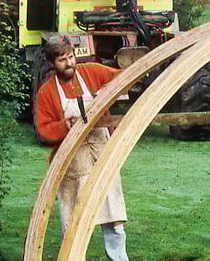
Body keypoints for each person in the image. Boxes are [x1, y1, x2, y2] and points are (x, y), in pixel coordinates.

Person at [36, 37, 129, 261]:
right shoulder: (46, 93)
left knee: (113, 220)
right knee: (74, 224)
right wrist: (63, 126)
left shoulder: (91, 73)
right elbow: (44, 131)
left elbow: (122, 78)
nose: (69, 63)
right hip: (72, 164)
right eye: (62, 60)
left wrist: (105, 93)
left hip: (101, 157)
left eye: (71, 57)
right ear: (51, 63)